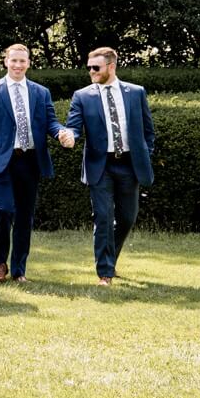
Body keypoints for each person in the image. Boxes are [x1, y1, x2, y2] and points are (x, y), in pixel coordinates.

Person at [0, 44, 74, 283]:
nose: (18, 65)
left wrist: (61, 132)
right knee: (4, 210)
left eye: (23, 61)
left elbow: (50, 122)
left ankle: (19, 270)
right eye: (14, 61)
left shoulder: (41, 92)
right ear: (5, 61)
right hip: (1, 161)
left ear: (29, 63)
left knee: (24, 217)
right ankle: (0, 263)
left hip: (30, 161)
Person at [65, 47, 155, 286]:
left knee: (127, 217)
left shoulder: (136, 93)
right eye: (89, 68)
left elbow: (148, 131)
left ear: (111, 66)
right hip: (100, 165)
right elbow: (73, 126)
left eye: (96, 67)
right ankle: (105, 272)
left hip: (129, 164)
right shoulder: (82, 96)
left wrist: (145, 155)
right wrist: (69, 136)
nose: (91, 72)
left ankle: (110, 259)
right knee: (103, 217)